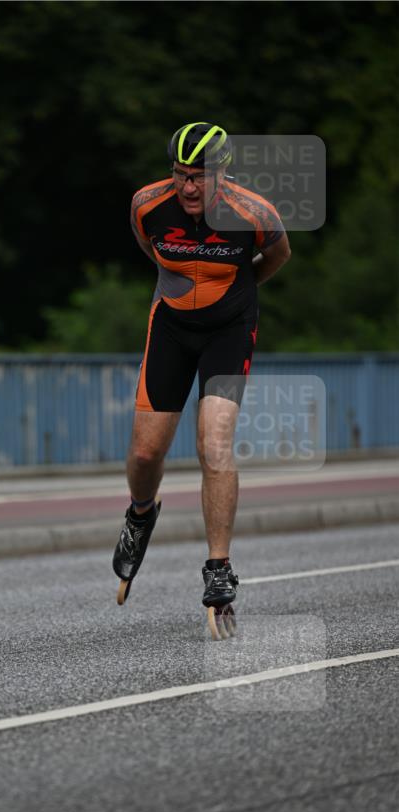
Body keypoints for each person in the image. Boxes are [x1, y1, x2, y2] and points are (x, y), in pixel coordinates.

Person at [113, 122, 291, 612]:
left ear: (223, 173)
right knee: (146, 454)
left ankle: (218, 566)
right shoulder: (147, 204)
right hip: (170, 326)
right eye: (180, 175)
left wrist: (237, 293)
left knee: (213, 443)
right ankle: (140, 514)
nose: (188, 187)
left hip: (228, 330)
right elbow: (149, 246)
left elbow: (278, 254)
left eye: (199, 177)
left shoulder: (253, 213)